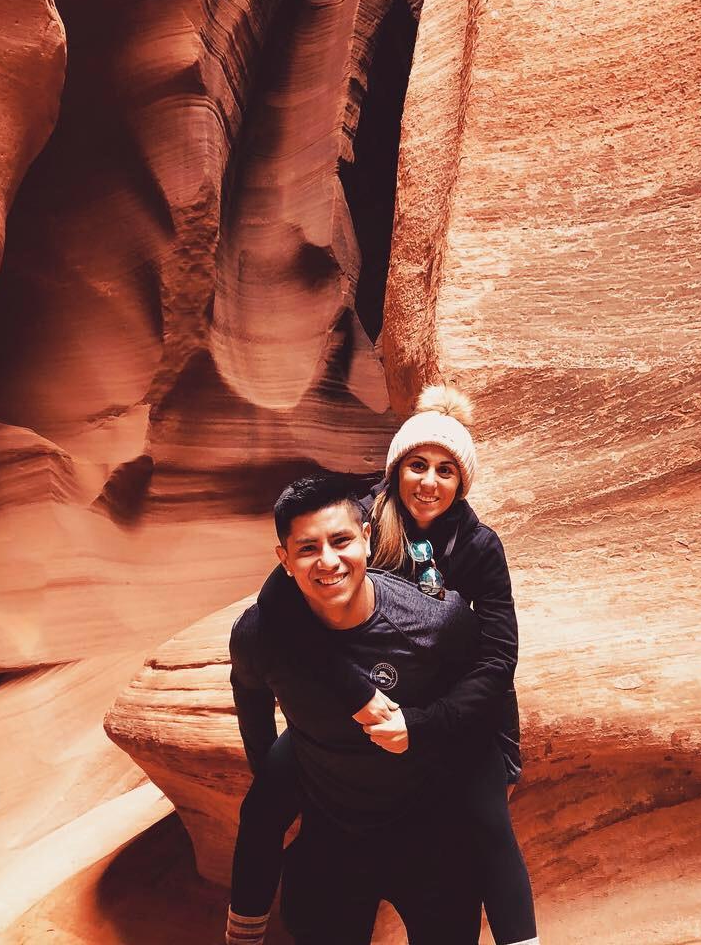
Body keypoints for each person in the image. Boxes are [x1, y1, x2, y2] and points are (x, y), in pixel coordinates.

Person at [226, 387, 538, 945]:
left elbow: (495, 657)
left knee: (489, 825)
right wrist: (355, 694)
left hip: (447, 698)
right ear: (396, 469)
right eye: (417, 465)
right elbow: (277, 602)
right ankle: (242, 931)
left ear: (462, 482)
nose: (429, 482)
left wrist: (431, 725)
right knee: (264, 807)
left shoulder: (476, 546)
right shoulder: (359, 516)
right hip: (350, 693)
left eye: (445, 470)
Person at [228, 474, 485, 944]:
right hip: (333, 836)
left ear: (366, 538)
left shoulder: (434, 622)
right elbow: (248, 692)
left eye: (341, 540)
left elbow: (481, 701)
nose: (328, 561)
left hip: (430, 835)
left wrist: (429, 733)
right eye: (307, 548)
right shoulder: (260, 636)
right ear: (284, 560)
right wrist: (271, 777)